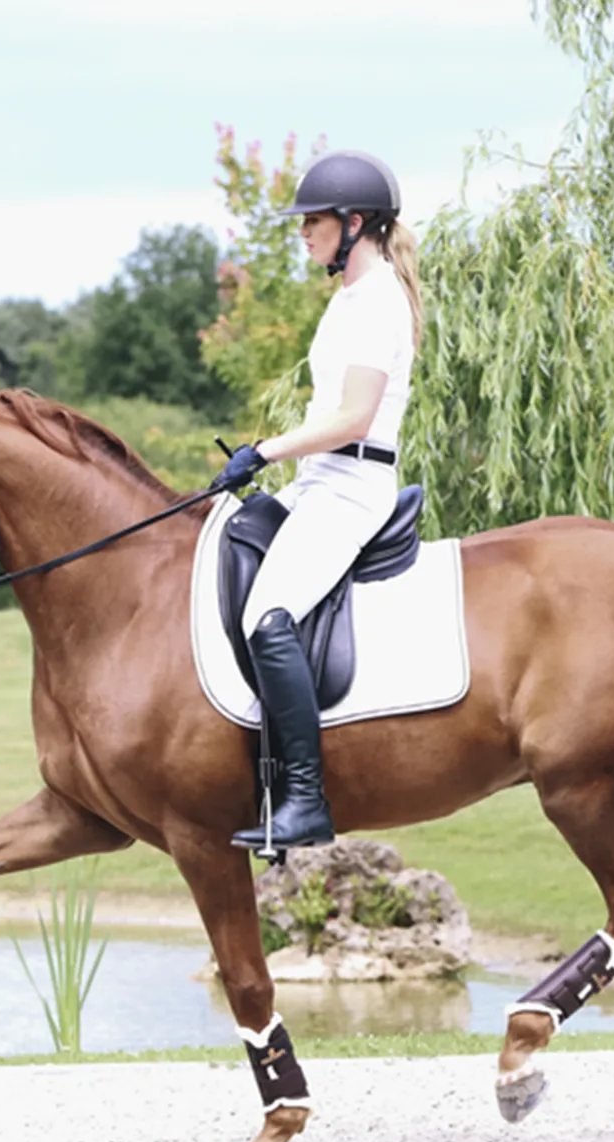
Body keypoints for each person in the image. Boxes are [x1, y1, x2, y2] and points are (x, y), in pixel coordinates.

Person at [209, 149, 424, 851]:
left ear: (354, 224)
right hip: (321, 483)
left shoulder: (379, 301)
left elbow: (355, 418)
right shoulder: (350, 298)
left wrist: (264, 450)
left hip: (353, 487)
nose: (303, 233)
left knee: (268, 617)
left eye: (314, 221)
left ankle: (304, 799)